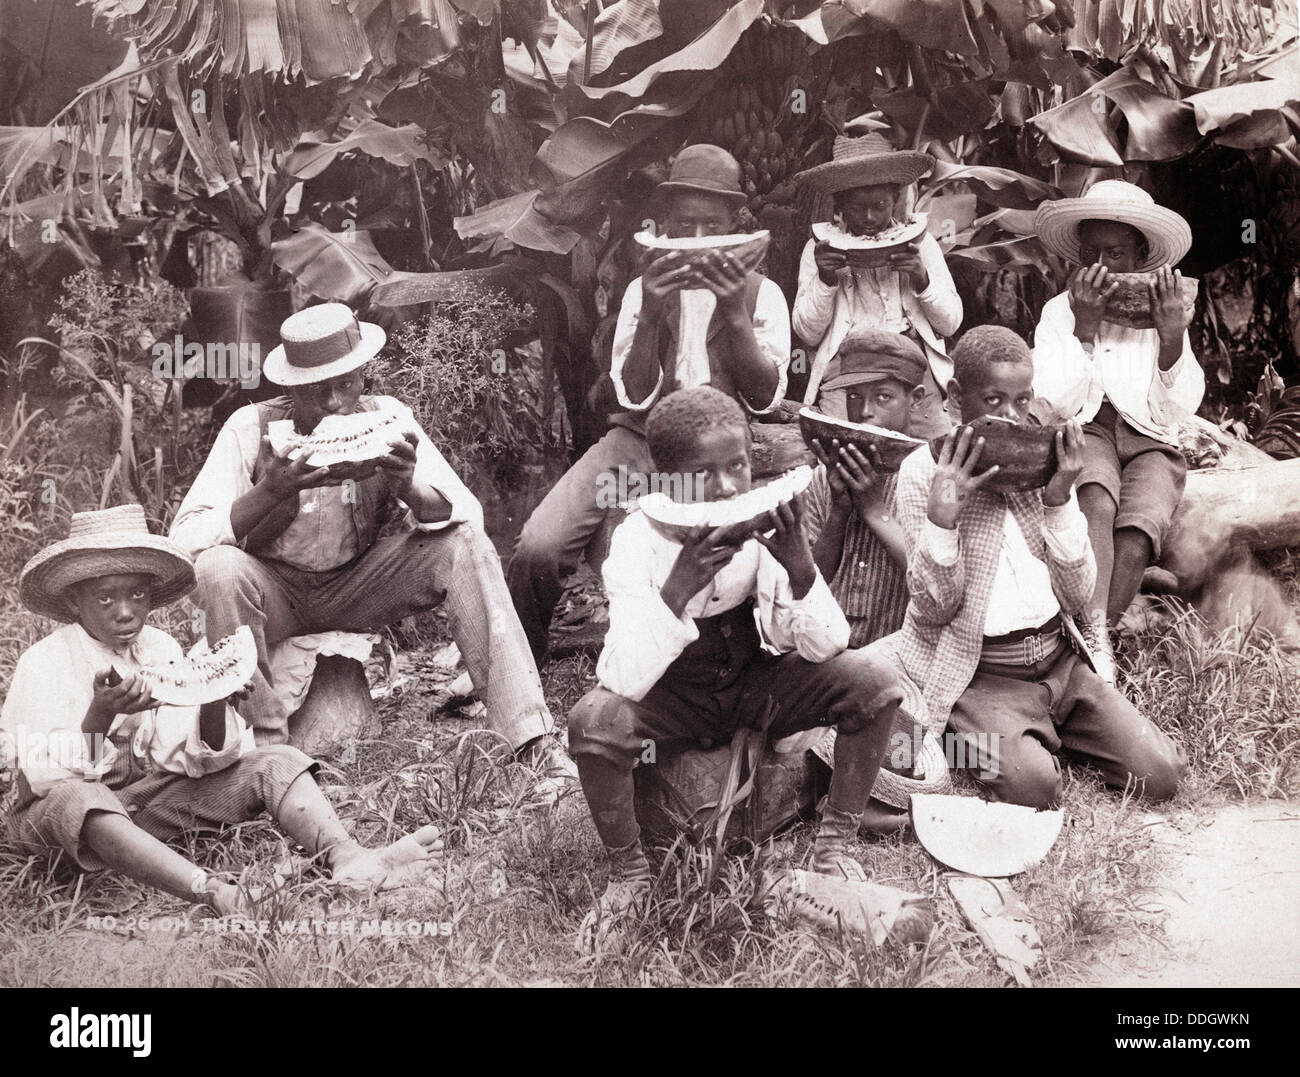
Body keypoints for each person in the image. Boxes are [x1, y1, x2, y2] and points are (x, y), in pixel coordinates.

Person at [169, 302, 574, 798]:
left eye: (348, 384)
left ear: (363, 375)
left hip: (356, 586)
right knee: (218, 567)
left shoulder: (388, 417)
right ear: (292, 387)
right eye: (319, 392)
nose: (337, 404)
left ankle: (529, 738)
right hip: (274, 592)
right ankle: (265, 759)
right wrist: (269, 492)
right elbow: (184, 541)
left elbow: (466, 513)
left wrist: (407, 486)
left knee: (464, 541)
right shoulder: (250, 428)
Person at [567, 386, 908, 947]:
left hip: (751, 683)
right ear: (666, 477)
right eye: (705, 473)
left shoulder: (760, 527)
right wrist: (679, 589)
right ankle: (628, 874)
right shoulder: (633, 543)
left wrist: (799, 567)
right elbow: (623, 678)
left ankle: (834, 845)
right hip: (671, 698)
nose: (728, 487)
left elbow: (827, 646)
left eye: (739, 466)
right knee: (593, 721)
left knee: (875, 682)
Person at [1, 505, 444, 916]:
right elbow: (44, 779)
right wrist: (99, 717)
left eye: (137, 595)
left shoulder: (159, 648)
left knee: (276, 760)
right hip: (56, 823)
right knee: (84, 798)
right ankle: (216, 892)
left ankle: (349, 857)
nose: (125, 612)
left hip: (137, 810)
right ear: (74, 601)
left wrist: (214, 697)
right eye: (105, 599)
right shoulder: (45, 662)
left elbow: (186, 759)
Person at [507, 144, 791, 663]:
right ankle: (522, 657)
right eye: (686, 228)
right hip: (637, 441)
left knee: (684, 547)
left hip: (717, 450)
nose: (700, 242)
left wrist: (733, 314)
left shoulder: (762, 293)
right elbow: (633, 393)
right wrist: (653, 315)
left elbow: (766, 398)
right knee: (539, 547)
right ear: (663, 229)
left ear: (737, 224)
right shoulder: (642, 290)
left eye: (714, 226)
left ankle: (694, 649)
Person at [882, 326, 1185, 809]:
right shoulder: (922, 472)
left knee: (1160, 773)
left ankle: (1038, 735)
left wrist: (1059, 499)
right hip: (983, 675)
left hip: (1059, 663)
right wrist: (944, 519)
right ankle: (950, 743)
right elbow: (935, 610)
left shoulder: (1040, 462)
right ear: (957, 397)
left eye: (1022, 402)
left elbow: (1078, 594)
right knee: (1034, 788)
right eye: (994, 400)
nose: (1010, 417)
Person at [1031, 180, 1202, 682]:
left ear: (1142, 259)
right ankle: (1094, 638)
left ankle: (1094, 637)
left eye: (1117, 253)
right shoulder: (1058, 312)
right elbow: (1052, 400)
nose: (1103, 266)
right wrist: (1083, 328)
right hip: (1089, 427)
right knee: (1098, 502)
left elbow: (1179, 407)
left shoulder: (1164, 310)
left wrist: (1172, 336)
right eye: (1091, 253)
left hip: (1150, 437)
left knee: (1140, 524)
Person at [791, 132, 961, 439]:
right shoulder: (819, 249)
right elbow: (807, 332)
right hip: (846, 366)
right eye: (857, 208)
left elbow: (949, 324)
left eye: (880, 205)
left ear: (896, 198)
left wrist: (922, 280)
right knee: (847, 448)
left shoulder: (921, 245)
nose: (869, 217)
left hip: (911, 362)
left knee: (933, 450)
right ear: (840, 204)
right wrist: (826, 279)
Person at [802, 329, 929, 648]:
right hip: (828, 647)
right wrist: (839, 513)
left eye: (882, 397)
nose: (865, 411)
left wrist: (875, 511)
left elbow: (932, 586)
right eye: (854, 396)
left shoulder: (931, 476)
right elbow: (808, 584)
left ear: (914, 400)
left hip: (902, 651)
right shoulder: (822, 477)